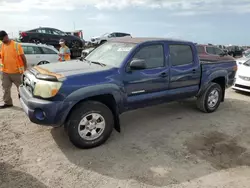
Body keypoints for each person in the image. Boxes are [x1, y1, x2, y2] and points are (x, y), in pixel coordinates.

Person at [0, 30, 27, 108]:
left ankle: (24, 102)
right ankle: (8, 103)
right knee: (5, 88)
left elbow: (23, 57)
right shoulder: (1, 45)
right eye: (0, 39)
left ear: (6, 36)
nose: (2, 40)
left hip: (17, 72)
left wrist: (25, 68)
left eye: (2, 38)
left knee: (21, 88)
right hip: (5, 72)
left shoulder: (16, 45)